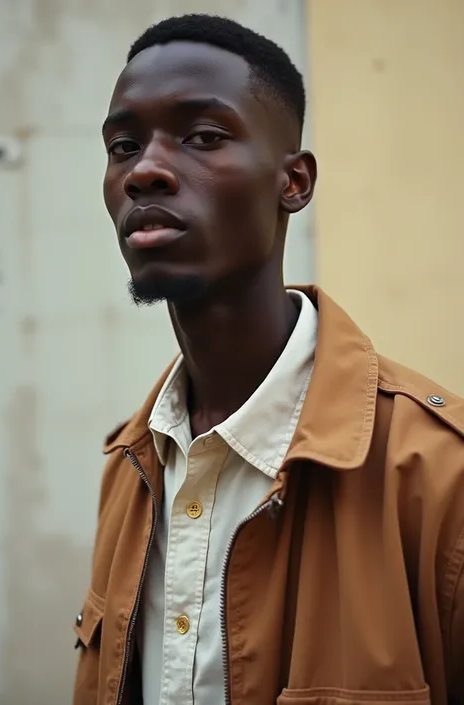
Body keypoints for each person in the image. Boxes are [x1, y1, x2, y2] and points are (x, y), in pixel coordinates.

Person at [73, 13, 464, 705]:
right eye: (123, 144)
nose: (146, 170)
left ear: (295, 182)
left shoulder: (440, 475)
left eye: (202, 137)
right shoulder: (127, 468)